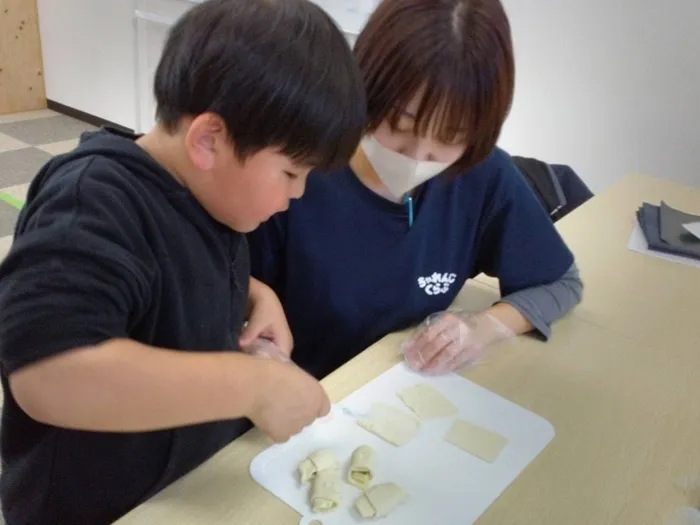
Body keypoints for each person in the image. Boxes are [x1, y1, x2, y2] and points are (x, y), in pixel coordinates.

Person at [0, 1, 365, 524]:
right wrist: (250, 386)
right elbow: (46, 374)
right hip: (92, 507)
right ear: (209, 140)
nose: (297, 195)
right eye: (290, 173)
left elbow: (174, 275)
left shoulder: (212, 196)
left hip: (185, 485)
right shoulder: (90, 202)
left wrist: (258, 294)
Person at [248, 0, 584, 380]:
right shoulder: (296, 166)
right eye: (400, 125)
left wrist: (483, 328)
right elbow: (218, 285)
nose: (418, 155)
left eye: (450, 137)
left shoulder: (480, 176)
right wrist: (258, 342)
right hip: (296, 402)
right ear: (366, 87)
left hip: (402, 393)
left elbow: (559, 281)